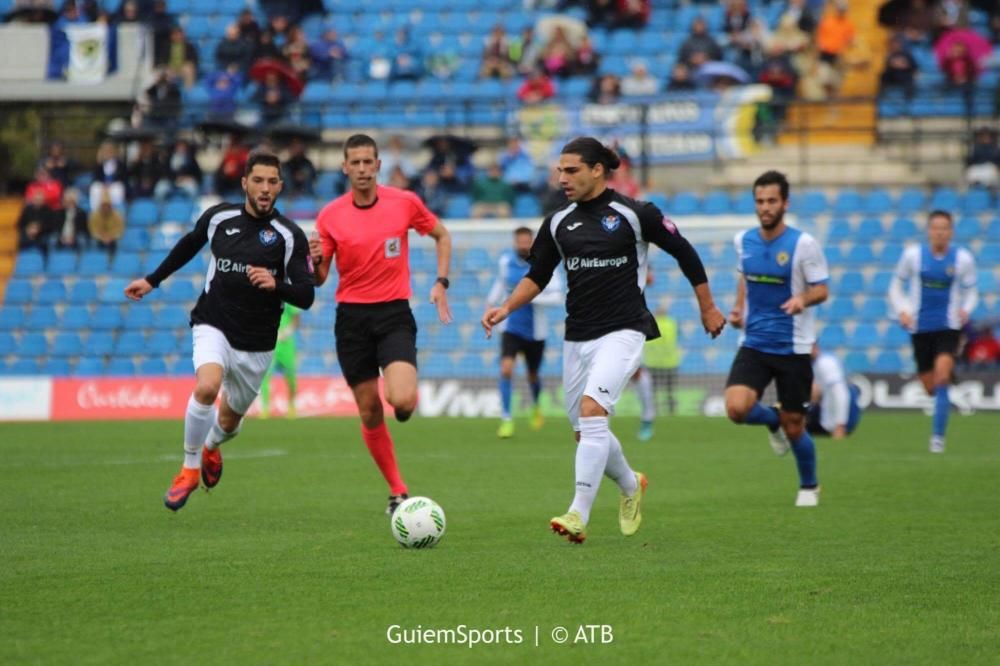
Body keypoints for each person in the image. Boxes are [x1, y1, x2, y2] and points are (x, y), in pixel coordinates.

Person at [482, 137, 726, 544]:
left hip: (625, 328)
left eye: (571, 170)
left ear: (598, 170)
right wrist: (506, 308)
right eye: (560, 170)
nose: (562, 178)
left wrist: (708, 307)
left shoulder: (636, 214)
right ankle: (631, 484)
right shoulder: (558, 222)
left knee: (595, 413)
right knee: (584, 432)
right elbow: (537, 276)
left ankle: (578, 513)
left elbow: (685, 252)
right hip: (577, 337)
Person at [123, 150, 315, 511]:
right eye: (257, 180)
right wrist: (153, 280)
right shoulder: (219, 218)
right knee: (207, 386)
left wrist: (277, 284)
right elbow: (188, 245)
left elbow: (306, 295)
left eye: (272, 181)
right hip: (214, 322)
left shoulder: (290, 236)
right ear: (244, 182)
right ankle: (189, 468)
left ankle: (211, 446)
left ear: (280, 187)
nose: (264, 188)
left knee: (229, 421)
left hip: (256, 344)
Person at [311, 134, 452, 515]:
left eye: (367, 162)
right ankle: (397, 490)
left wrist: (441, 282)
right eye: (353, 162)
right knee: (370, 409)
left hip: (393, 313)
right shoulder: (330, 215)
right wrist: (313, 263)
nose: (361, 169)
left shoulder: (404, 202)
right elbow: (320, 278)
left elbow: (441, 235)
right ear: (344, 167)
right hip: (351, 320)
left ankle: (405, 404)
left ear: (377, 165)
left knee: (401, 401)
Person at [724, 170, 829, 508]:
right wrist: (738, 308)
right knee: (736, 408)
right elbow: (745, 276)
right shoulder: (744, 240)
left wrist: (802, 300)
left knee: (796, 426)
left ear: (785, 203)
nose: (765, 207)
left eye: (771, 201)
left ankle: (810, 486)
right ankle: (773, 421)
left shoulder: (804, 244)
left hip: (793, 347)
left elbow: (822, 289)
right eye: (759, 201)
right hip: (754, 343)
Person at [888, 210, 978, 453]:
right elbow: (896, 285)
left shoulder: (963, 259)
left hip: (948, 327)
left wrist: (966, 310)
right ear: (929, 231)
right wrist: (902, 310)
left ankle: (937, 438)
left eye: (944, 228)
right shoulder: (913, 256)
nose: (939, 232)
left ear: (951, 232)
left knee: (941, 378)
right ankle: (946, 387)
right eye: (935, 227)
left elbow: (971, 291)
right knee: (930, 386)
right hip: (920, 328)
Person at [485, 227, 563, 439]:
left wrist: (528, 297)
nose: (522, 245)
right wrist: (490, 306)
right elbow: (499, 286)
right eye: (519, 241)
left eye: (526, 241)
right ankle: (506, 419)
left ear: (533, 241)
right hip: (510, 328)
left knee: (532, 375)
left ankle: (536, 405)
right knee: (506, 370)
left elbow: (557, 297)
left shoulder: (545, 263)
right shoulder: (505, 262)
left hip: (536, 332)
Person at [807, 344, 862, 439]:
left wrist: (840, 425)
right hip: (828, 413)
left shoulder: (825, 363)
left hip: (837, 418)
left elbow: (840, 393)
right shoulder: (817, 363)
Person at [259, 304, 300, 418]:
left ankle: (291, 406)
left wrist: (287, 332)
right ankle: (265, 409)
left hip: (286, 344)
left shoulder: (289, 296)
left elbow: (296, 318)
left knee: (291, 378)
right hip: (271, 343)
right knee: (265, 377)